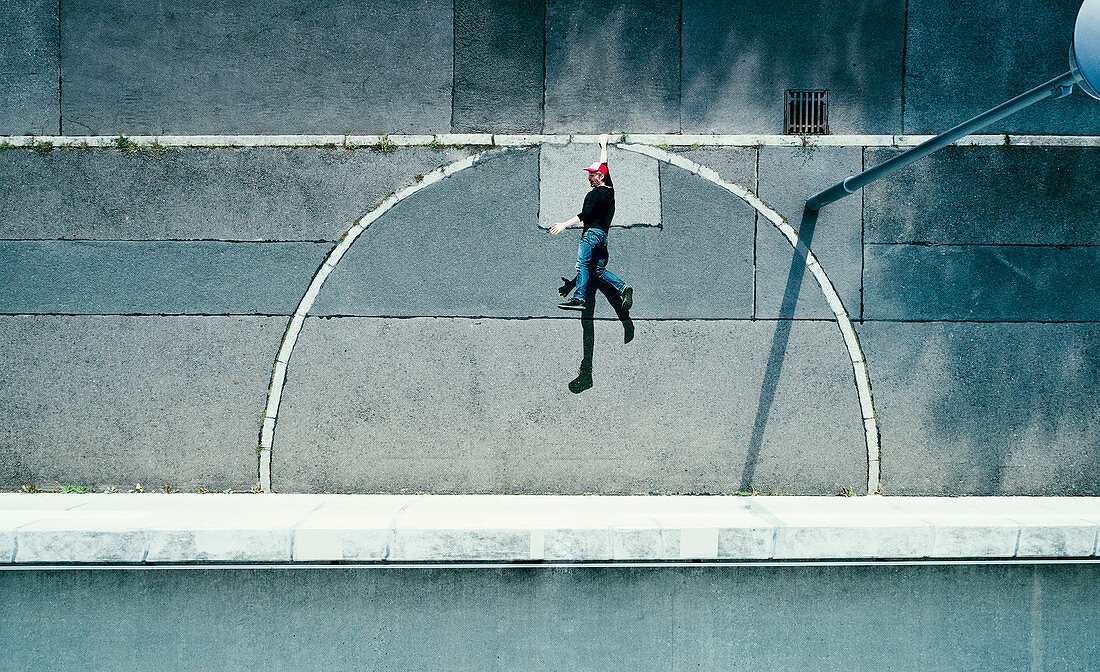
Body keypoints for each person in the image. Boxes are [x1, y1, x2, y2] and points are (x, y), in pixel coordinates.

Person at [549, 133, 633, 313]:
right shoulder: (609, 190)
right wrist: (604, 145)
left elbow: (585, 216)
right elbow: (605, 165)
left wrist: (564, 224)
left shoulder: (593, 195)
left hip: (591, 235)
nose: (589, 177)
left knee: (582, 265)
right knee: (599, 270)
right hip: (603, 237)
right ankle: (624, 288)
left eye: (592, 175)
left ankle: (579, 299)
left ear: (600, 176)